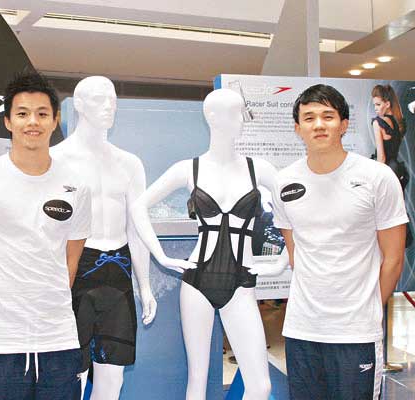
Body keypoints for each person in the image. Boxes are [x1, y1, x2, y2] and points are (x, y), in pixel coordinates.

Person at [132, 88, 280, 400]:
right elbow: (138, 206)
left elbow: (297, 212)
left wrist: (281, 260)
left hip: (241, 285)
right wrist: (161, 256)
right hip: (197, 282)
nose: (242, 120)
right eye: (235, 112)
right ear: (211, 117)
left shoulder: (260, 169)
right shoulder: (189, 169)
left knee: (260, 386)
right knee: (197, 381)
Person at [273, 84, 408, 399]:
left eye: (328, 116)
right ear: (298, 128)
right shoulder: (284, 182)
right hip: (302, 329)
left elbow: (393, 259)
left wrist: (368, 309)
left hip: (355, 333)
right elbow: (295, 254)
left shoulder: (377, 177)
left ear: (344, 124)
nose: (318, 124)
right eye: (309, 118)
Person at [0, 72, 91, 400]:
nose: (32, 122)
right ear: (8, 121)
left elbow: (71, 262)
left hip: (59, 338)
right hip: (0, 341)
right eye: (22, 113)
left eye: (41, 113)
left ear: (55, 120)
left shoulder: (77, 185)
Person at [51, 76, 157, 400]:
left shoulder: (130, 164)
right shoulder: (56, 160)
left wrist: (145, 286)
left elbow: (135, 228)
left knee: (113, 376)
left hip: (118, 270)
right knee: (74, 372)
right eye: (100, 99)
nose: (109, 106)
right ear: (79, 104)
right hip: (75, 269)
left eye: (113, 99)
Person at [371, 84, 408, 188]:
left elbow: (381, 158)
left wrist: (376, 181)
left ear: (387, 104)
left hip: (385, 172)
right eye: (374, 105)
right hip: (397, 170)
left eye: (378, 104)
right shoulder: (399, 123)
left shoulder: (378, 123)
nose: (375, 108)